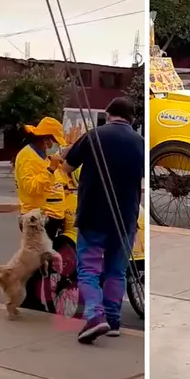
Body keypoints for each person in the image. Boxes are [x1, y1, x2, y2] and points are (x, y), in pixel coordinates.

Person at [60, 97, 145, 343]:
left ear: (108, 114)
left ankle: (95, 317)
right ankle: (113, 320)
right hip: (125, 217)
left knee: (88, 270)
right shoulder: (140, 143)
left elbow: (66, 168)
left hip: (93, 215)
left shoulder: (94, 135)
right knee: (116, 272)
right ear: (131, 119)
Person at [13, 117, 69, 310]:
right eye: (52, 140)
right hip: (37, 218)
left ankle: (38, 297)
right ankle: (30, 300)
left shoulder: (42, 155)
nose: (52, 145)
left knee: (44, 260)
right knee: (36, 262)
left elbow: (56, 180)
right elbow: (32, 187)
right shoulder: (27, 157)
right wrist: (51, 169)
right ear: (44, 138)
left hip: (51, 216)